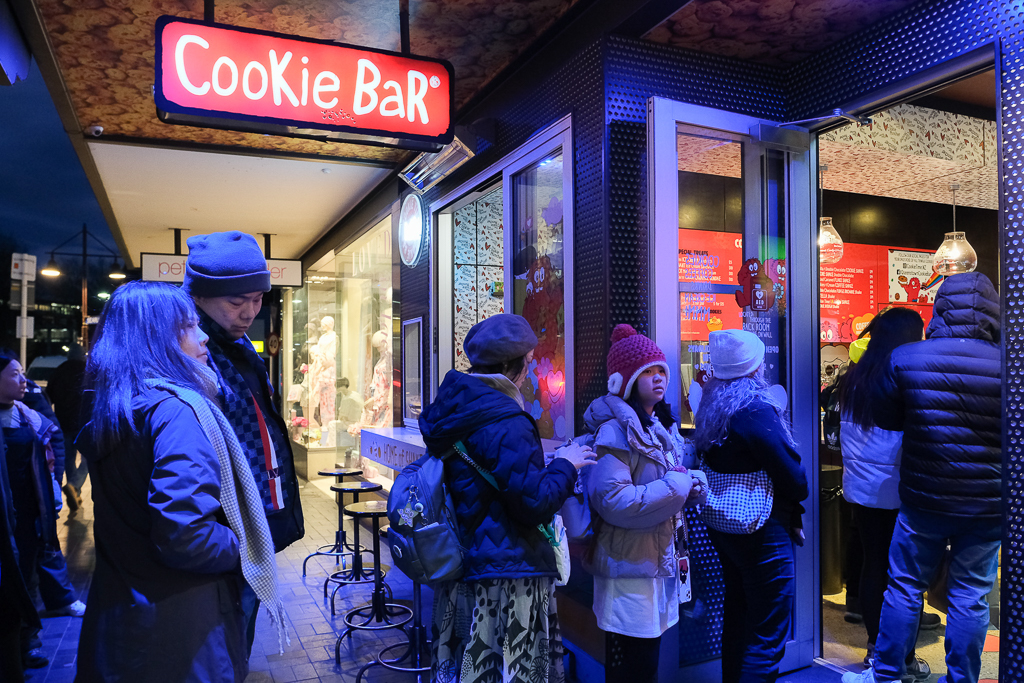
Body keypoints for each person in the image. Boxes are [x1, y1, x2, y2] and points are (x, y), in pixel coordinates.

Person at [75, 281, 286, 682]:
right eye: (188, 326)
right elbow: (186, 536)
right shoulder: (175, 413)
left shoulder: (118, 406)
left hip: (124, 619)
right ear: (155, 339)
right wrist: (242, 546)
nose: (203, 336)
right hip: (183, 629)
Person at [843, 273, 1002, 683]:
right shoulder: (1009, 363)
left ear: (941, 308)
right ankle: (961, 679)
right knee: (970, 596)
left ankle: (887, 674)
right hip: (987, 503)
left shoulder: (906, 358)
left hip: (923, 498)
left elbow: (888, 418)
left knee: (904, 586)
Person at [419, 314, 595, 683]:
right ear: (507, 367)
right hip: (508, 577)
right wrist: (566, 464)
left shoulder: (455, 408)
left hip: (461, 567)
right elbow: (534, 503)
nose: (528, 373)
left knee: (470, 669)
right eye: (527, 363)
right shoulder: (506, 420)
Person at [183, 230, 304, 654]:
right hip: (223, 525)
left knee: (239, 630)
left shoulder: (239, 348)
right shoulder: (192, 351)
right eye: (237, 302)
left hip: (249, 519)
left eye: (257, 299)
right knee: (222, 638)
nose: (250, 312)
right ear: (198, 296)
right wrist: (224, 540)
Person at [582, 324, 706, 683]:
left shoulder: (655, 425)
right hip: (630, 565)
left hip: (654, 558)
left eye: (660, 370)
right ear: (625, 381)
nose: (658, 378)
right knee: (638, 666)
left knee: (645, 661)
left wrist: (688, 486)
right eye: (646, 372)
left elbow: (662, 487)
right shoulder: (615, 430)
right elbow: (613, 500)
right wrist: (676, 485)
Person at [694, 329, 808, 683]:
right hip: (762, 529)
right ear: (755, 367)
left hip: (725, 526)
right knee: (766, 635)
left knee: (739, 616)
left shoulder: (711, 407)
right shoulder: (755, 409)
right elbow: (795, 478)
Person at [835, 308, 934, 679]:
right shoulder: (905, 376)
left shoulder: (854, 377)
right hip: (901, 489)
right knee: (905, 575)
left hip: (862, 489)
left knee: (873, 564)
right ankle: (902, 657)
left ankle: (875, 649)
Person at [0, 351, 85, 621]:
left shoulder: (29, 411)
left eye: (22, 373)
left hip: (30, 500)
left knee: (43, 548)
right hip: (8, 503)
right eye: (15, 374)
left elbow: (52, 439)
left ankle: (38, 622)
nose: (23, 380)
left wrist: (52, 483)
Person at [0, 426, 45, 680]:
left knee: (25, 580)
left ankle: (27, 643)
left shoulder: (27, 416)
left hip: (20, 515)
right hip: (10, 519)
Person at [47, 344, 88, 507]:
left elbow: (49, 396)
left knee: (69, 460)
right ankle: (74, 486)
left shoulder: (59, 371)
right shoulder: (88, 372)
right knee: (89, 459)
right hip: (83, 423)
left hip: (63, 422)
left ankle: (74, 492)